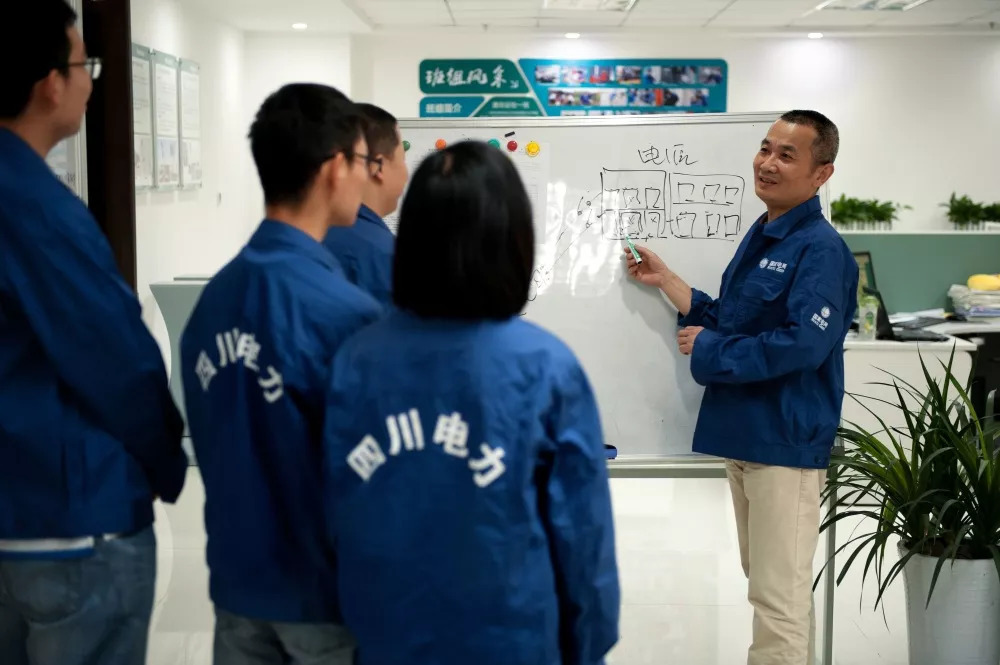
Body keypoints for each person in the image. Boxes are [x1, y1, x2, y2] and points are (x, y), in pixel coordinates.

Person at [322, 140, 620, 665]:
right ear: (514, 239)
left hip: (385, 634)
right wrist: (588, 645)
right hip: (510, 638)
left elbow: (332, 509)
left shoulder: (356, 359)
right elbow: (582, 534)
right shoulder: (546, 367)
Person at [625, 110, 857, 665]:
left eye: (786, 155)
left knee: (778, 600)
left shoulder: (821, 249)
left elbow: (803, 345)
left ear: (821, 174)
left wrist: (710, 350)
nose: (767, 163)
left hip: (784, 441)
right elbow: (735, 319)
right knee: (773, 589)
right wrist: (668, 281)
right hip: (749, 437)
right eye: (765, 148)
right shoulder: (764, 233)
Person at [0, 2, 188, 664]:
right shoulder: (36, 208)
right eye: (86, 65)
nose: (90, 82)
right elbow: (116, 361)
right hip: (68, 522)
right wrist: (165, 460)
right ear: (51, 83)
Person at [179, 83, 380, 665]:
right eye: (363, 162)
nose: (368, 178)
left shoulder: (215, 299)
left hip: (237, 587)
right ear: (335, 169)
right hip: (322, 597)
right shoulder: (347, 314)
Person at [323, 103, 408, 306]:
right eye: (402, 160)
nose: (406, 172)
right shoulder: (388, 257)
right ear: (378, 167)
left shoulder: (311, 235)